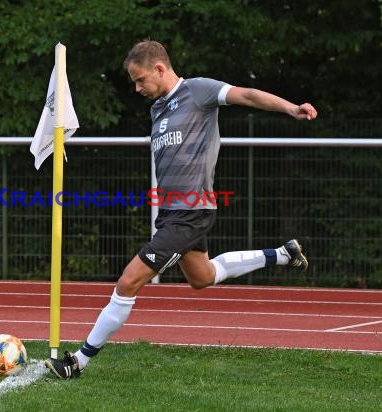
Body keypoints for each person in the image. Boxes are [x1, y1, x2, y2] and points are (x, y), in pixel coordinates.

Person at [45, 40, 317, 379]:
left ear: (160, 69)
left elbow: (246, 95)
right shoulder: (157, 109)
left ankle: (77, 362)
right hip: (172, 214)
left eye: (140, 79)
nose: (137, 87)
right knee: (202, 277)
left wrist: (291, 108)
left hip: (191, 212)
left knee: (128, 282)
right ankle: (281, 254)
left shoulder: (199, 91)